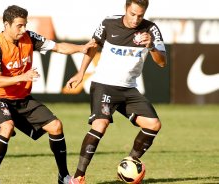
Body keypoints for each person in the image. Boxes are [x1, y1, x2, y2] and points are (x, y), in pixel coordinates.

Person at [0, 5, 95, 184]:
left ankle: (63, 176)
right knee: (7, 126)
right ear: (6, 24)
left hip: (22, 99)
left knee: (56, 126)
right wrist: (23, 76)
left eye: (25, 24)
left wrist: (81, 48)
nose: (24, 29)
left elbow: (58, 47)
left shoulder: (29, 37)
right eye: (19, 25)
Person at [66, 0, 167, 183]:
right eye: (132, 14)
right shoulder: (108, 23)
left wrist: (151, 46)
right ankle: (78, 178)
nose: (136, 19)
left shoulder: (151, 29)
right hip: (104, 84)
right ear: (125, 9)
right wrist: (81, 73)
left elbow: (162, 62)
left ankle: (129, 164)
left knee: (153, 124)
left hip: (129, 89)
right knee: (100, 124)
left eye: (140, 15)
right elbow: (92, 46)